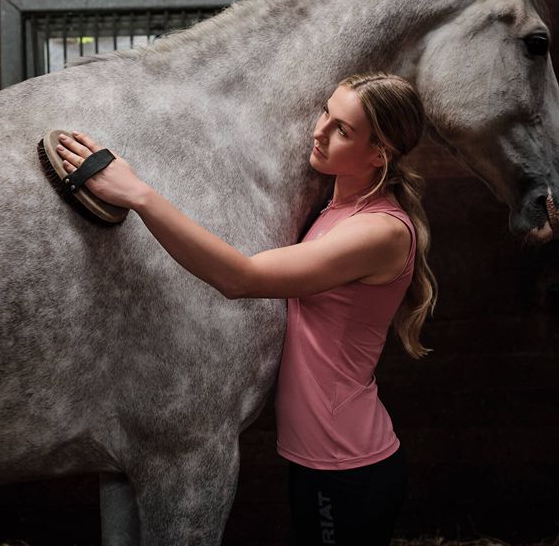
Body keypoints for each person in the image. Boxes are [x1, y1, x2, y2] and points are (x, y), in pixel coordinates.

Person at [56, 71, 437, 546]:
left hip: (349, 463)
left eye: (342, 129)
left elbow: (242, 278)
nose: (318, 130)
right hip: (318, 459)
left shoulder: (380, 231)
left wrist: (140, 194)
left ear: (380, 153)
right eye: (326, 112)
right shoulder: (335, 211)